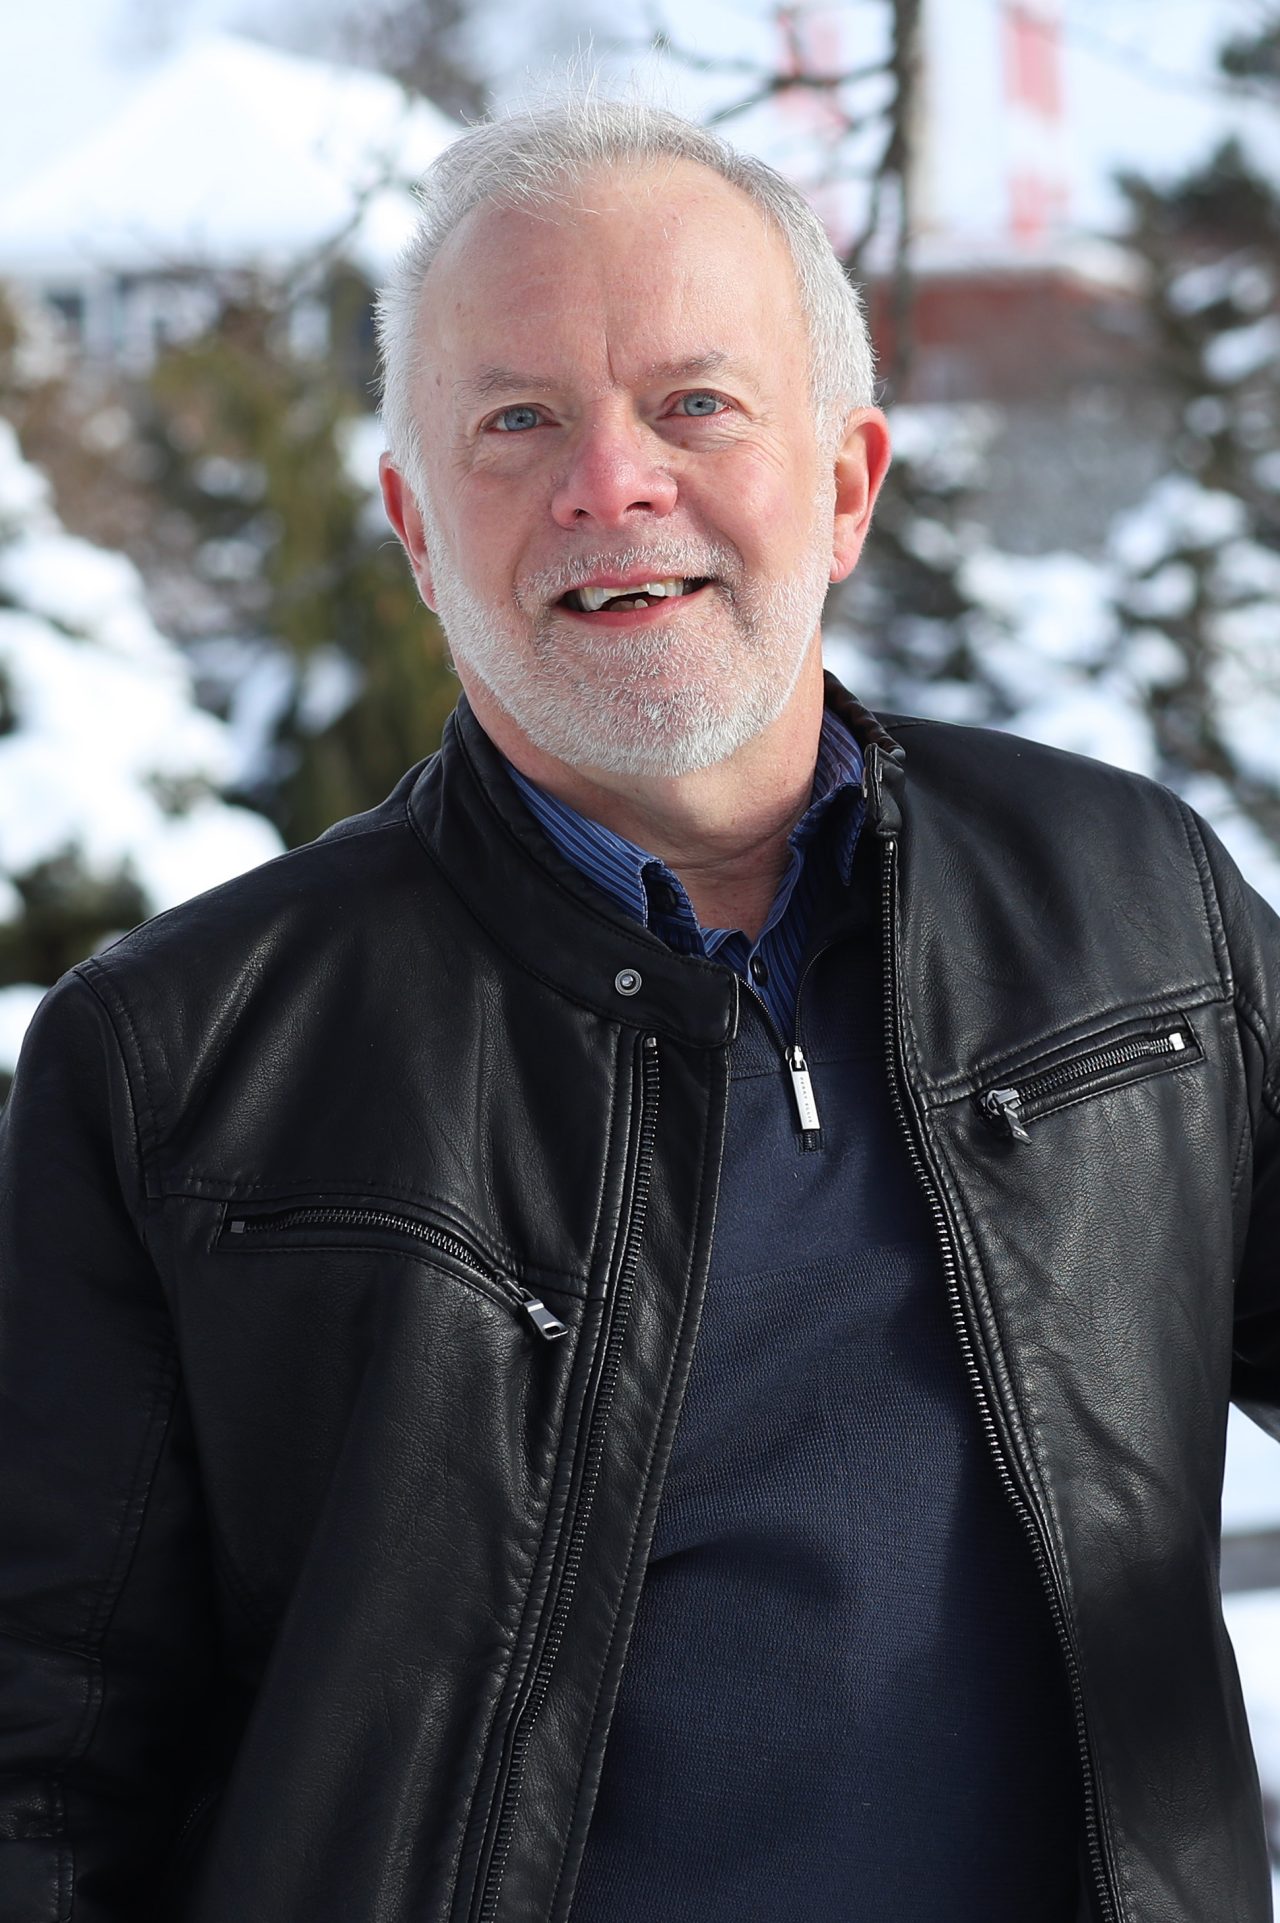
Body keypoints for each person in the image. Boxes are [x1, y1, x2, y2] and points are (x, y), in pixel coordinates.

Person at [0, 95, 1277, 1923]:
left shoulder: (1128, 896)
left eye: (695, 403)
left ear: (844, 482)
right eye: (517, 421)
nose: (612, 485)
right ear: (418, 524)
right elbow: (39, 1762)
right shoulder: (179, 1061)